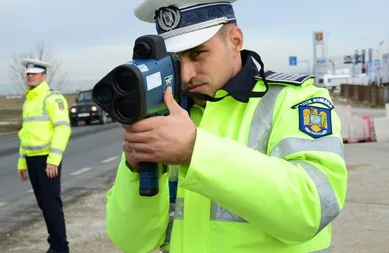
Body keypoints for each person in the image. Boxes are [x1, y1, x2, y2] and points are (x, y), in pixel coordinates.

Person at [106, 0, 348, 252]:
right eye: (175, 62)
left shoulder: (295, 100)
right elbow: (131, 242)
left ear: (235, 40)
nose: (187, 75)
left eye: (198, 53)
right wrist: (136, 172)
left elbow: (312, 210)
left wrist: (194, 150)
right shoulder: (167, 116)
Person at [17, 58, 72, 253]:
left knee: (51, 204)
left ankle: (60, 247)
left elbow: (63, 129)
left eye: (34, 73)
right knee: (44, 204)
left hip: (47, 159)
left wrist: (53, 160)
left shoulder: (52, 98)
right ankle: (55, 244)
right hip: (32, 160)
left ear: (43, 76)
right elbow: (25, 134)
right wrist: (22, 162)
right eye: (28, 74)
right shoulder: (29, 101)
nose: (30, 76)